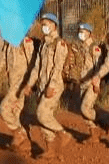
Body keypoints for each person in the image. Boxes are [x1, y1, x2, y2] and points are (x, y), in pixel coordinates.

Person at [0, 27, 40, 157]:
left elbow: (33, 65)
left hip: (21, 85)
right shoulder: (8, 44)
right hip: (12, 85)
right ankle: (23, 145)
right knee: (15, 112)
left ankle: (20, 133)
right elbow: (3, 63)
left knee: (3, 109)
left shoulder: (26, 43)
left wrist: (30, 84)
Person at [34, 13, 73, 158]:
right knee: (45, 116)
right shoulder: (44, 44)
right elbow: (37, 66)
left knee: (42, 113)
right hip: (42, 84)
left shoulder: (59, 43)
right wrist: (30, 84)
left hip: (54, 85)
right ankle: (50, 149)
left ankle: (63, 134)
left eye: (47, 24)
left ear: (54, 25)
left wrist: (52, 85)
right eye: (42, 24)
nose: (44, 27)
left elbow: (58, 66)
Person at [76, 23, 106, 144]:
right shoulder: (80, 47)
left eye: (84, 31)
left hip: (91, 83)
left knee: (85, 108)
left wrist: (96, 84)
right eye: (80, 31)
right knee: (83, 111)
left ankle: (100, 119)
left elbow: (98, 67)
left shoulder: (94, 48)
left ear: (89, 33)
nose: (81, 33)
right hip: (82, 83)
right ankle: (94, 134)